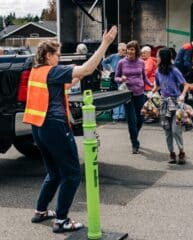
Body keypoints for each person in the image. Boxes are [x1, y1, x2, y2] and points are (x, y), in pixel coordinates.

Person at [23, 26, 117, 233]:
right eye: (57, 54)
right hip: (55, 127)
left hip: (38, 128)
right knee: (72, 174)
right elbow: (86, 70)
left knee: (54, 173)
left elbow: (70, 81)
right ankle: (62, 220)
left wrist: (78, 74)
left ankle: (40, 211)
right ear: (48, 55)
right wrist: (105, 44)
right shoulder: (53, 71)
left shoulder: (36, 72)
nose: (59, 57)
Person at [148, 48, 189, 164]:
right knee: (167, 130)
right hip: (164, 103)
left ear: (163, 58)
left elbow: (186, 85)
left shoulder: (174, 71)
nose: (157, 58)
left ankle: (181, 151)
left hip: (176, 103)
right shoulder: (157, 71)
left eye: (158, 56)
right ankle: (171, 153)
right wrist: (152, 92)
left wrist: (182, 95)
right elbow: (158, 86)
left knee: (176, 130)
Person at [115, 40, 153, 154]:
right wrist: (120, 79)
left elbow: (144, 77)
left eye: (132, 49)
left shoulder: (141, 62)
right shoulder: (121, 62)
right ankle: (134, 143)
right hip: (127, 94)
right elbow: (115, 78)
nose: (130, 51)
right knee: (131, 120)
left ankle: (134, 134)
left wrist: (152, 85)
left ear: (136, 50)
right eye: (128, 49)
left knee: (140, 118)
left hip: (140, 93)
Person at [102, 42, 127, 122]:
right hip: (114, 78)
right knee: (116, 97)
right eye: (123, 50)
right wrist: (109, 70)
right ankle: (116, 115)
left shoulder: (127, 57)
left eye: (125, 50)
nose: (124, 52)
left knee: (123, 97)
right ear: (118, 50)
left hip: (123, 79)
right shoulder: (113, 56)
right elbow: (104, 62)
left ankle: (122, 115)